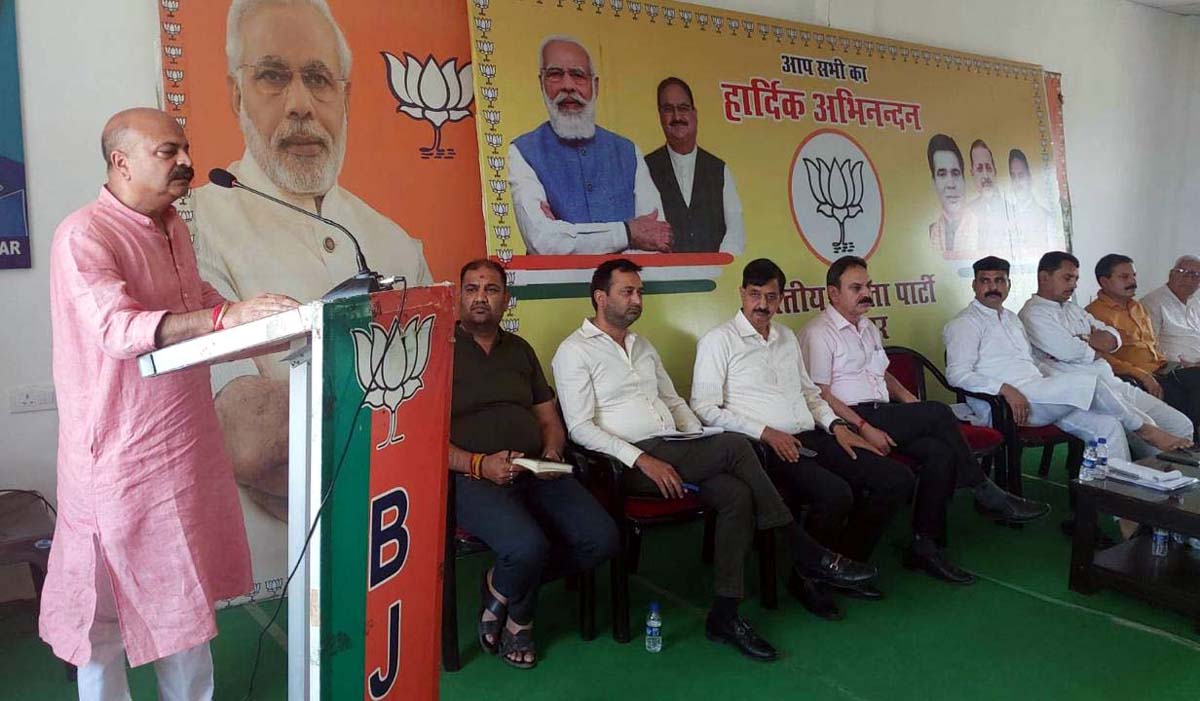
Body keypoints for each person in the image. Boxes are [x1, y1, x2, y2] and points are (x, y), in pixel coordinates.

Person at [42, 107, 298, 700]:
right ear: (120, 162)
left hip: (181, 451)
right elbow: (119, 329)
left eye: (184, 147)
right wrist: (223, 316)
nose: (186, 161)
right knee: (102, 617)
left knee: (184, 602)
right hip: (116, 459)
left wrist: (264, 319)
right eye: (168, 152)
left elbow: (198, 298)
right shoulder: (83, 235)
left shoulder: (174, 225)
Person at [189, 0, 434, 578]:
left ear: (344, 98)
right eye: (273, 75)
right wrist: (391, 429)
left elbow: (441, 400)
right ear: (235, 94)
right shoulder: (196, 223)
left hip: (392, 536)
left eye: (319, 79)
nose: (300, 104)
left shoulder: (395, 241)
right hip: (269, 563)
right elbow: (245, 439)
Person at [553, 259, 876, 661]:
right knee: (736, 445)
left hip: (674, 447)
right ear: (601, 297)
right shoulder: (573, 351)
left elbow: (675, 401)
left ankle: (724, 615)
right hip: (627, 466)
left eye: (640, 291)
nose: (637, 300)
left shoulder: (642, 346)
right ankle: (805, 551)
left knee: (736, 494)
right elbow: (580, 428)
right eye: (628, 292)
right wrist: (641, 460)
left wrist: (695, 437)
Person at [799, 255, 1050, 585]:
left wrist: (912, 405)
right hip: (850, 420)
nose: (866, 293)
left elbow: (884, 376)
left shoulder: (868, 327)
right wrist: (864, 428)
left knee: (940, 453)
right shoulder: (819, 332)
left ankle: (924, 546)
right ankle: (984, 491)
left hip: (882, 412)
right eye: (856, 288)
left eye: (868, 286)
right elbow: (821, 394)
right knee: (939, 413)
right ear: (833, 293)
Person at [691, 258, 912, 620]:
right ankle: (805, 578)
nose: (763, 304)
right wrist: (766, 433)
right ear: (741, 294)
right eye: (755, 295)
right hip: (763, 448)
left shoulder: (786, 337)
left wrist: (837, 426)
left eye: (771, 296)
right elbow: (703, 408)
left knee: (894, 479)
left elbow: (811, 394)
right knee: (835, 493)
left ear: (781, 298)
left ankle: (843, 565)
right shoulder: (718, 342)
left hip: (811, 433)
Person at [449, 259, 618, 669]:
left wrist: (552, 454)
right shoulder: (438, 353)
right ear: (458, 296)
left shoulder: (520, 350)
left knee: (603, 539)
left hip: (534, 468)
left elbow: (548, 419)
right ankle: (520, 618)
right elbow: (421, 441)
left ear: (506, 299)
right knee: (527, 546)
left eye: (491, 289)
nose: (480, 298)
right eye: (472, 288)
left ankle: (500, 587)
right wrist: (478, 464)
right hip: (472, 476)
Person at [944, 256, 1140, 462]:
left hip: (1038, 395)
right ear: (974, 285)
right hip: (1003, 405)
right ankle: (1144, 429)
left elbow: (1031, 362)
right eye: (985, 281)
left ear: (1009, 284)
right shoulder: (964, 323)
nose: (993, 287)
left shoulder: (1011, 318)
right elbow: (956, 374)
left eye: (1000, 280)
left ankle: (1114, 490)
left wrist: (1054, 380)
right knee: (1090, 383)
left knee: (1108, 427)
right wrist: (1004, 389)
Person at [507, 35, 671, 255]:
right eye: (555, 75)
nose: (568, 86)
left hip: (625, 288)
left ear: (595, 86)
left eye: (578, 75)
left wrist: (570, 237)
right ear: (541, 83)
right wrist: (628, 234)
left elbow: (657, 239)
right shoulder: (523, 152)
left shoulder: (627, 152)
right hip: (559, 289)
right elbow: (544, 241)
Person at [1018, 251, 1193, 454]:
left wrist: (1085, 340)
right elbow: (1069, 351)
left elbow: (1114, 338)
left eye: (1076, 279)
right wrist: (1093, 344)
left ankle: (1169, 475)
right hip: (1082, 396)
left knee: (1180, 425)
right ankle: (1153, 480)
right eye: (1067, 278)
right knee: (1139, 430)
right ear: (1044, 278)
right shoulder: (1033, 314)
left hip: (1113, 383)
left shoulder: (1073, 309)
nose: (1074, 285)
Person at [1086, 254, 1200, 441]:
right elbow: (1102, 359)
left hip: (1160, 369)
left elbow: (1151, 345)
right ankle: (1186, 443)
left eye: (1133, 276)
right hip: (1133, 378)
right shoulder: (1094, 314)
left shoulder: (1136, 307)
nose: (1132, 282)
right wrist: (1142, 375)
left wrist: (1174, 365)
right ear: (1104, 282)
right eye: (1124, 277)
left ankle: (1189, 441)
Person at [643, 77, 744, 254]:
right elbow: (643, 233)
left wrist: (715, 268)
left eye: (683, 108)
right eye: (668, 109)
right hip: (666, 276)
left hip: (715, 277)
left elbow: (735, 231)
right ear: (660, 116)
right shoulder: (645, 169)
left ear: (694, 114)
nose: (677, 117)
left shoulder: (718, 169)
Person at [925, 133, 979, 260]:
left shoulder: (981, 225)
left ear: (964, 179)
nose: (951, 184)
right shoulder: (931, 232)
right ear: (934, 182)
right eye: (942, 174)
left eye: (955, 173)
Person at [1141, 255, 1200, 364]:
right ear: (1171, 274)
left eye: (1196, 275)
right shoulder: (1153, 302)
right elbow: (1149, 346)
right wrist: (1182, 363)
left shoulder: (1196, 304)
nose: (1189, 278)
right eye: (1183, 272)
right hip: (1176, 369)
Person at [964, 139, 1014, 256]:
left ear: (995, 171)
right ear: (972, 173)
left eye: (988, 167)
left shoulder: (1011, 210)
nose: (985, 175)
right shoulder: (965, 213)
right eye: (980, 169)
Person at [1005, 149, 1057, 255]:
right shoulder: (1006, 217)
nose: (1017, 181)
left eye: (1021, 175)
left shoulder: (1046, 217)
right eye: (1013, 176)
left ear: (1030, 177)